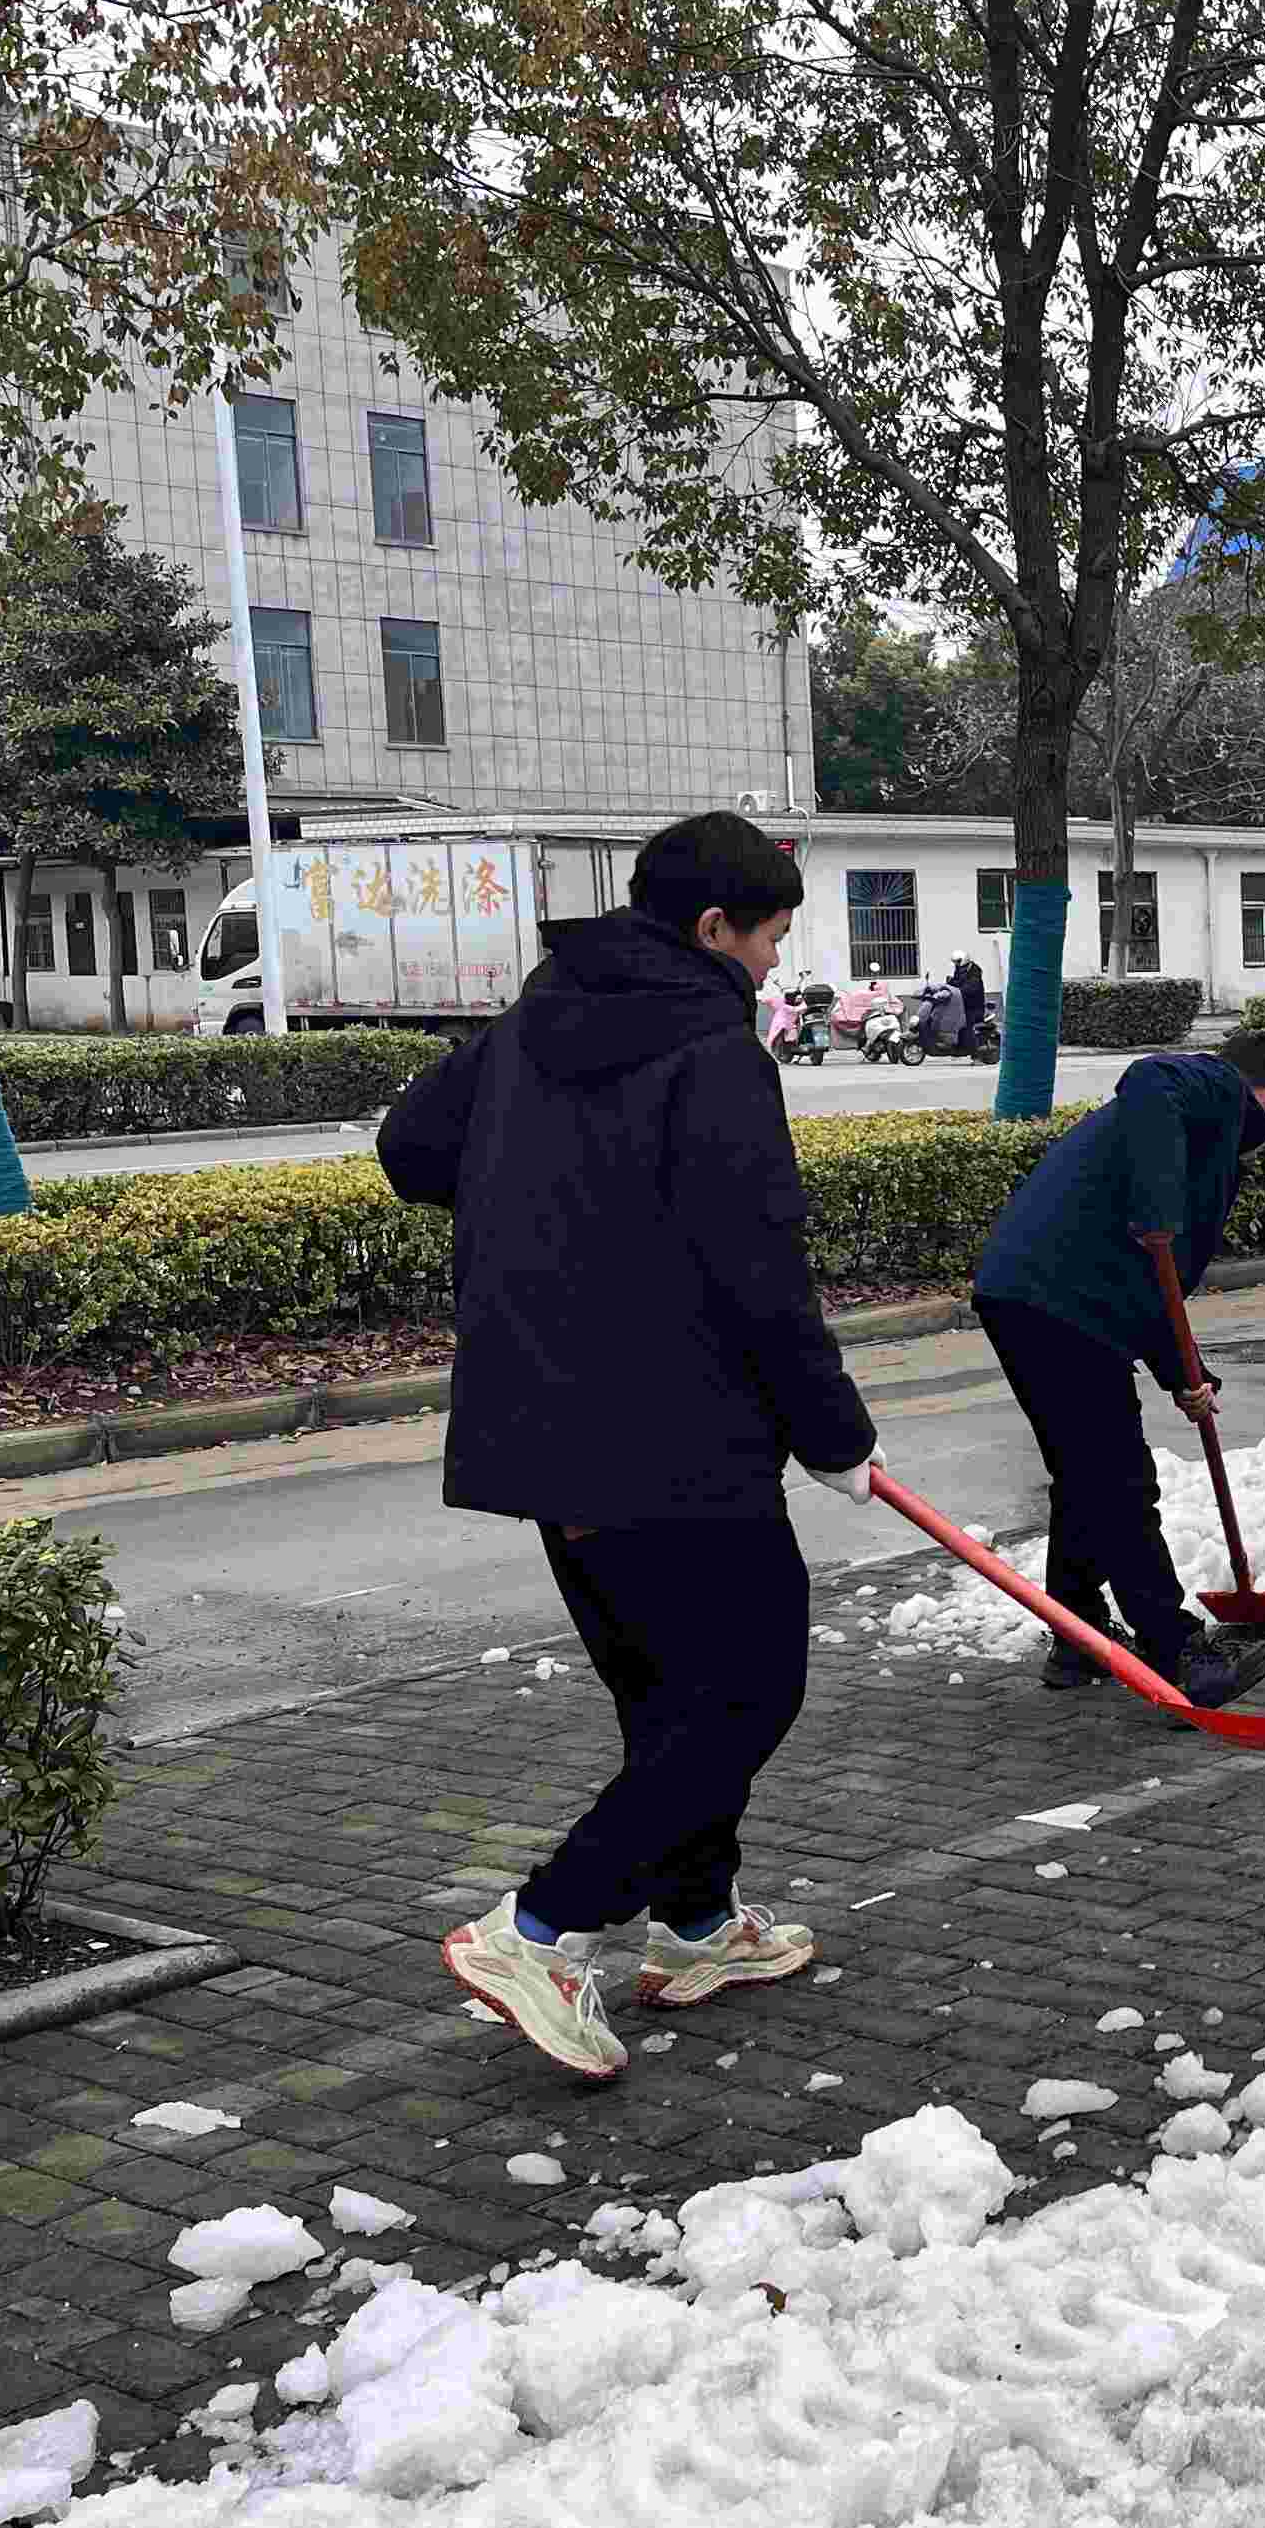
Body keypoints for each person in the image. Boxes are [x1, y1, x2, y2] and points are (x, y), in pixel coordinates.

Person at [379, 811, 875, 2083]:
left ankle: (698, 1925)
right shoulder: (712, 1048)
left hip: (549, 1429)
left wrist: (551, 1188)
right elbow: (761, 1269)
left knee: (669, 1704)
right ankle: (537, 1930)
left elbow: (410, 1149)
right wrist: (833, 1434)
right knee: (746, 1692)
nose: (775, 962)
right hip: (677, 1432)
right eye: (770, 937)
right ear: (713, 929)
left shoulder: (539, 1015)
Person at [971, 1032, 1265, 1708]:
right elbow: (1151, 1076)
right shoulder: (1217, 1093)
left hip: (1036, 1295)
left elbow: (1158, 1284)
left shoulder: (1199, 1140)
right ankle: (1175, 1651)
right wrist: (1159, 1206)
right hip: (1062, 1302)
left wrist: (1187, 1374)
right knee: (1120, 1480)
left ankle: (1079, 1637)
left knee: (1086, 1475)